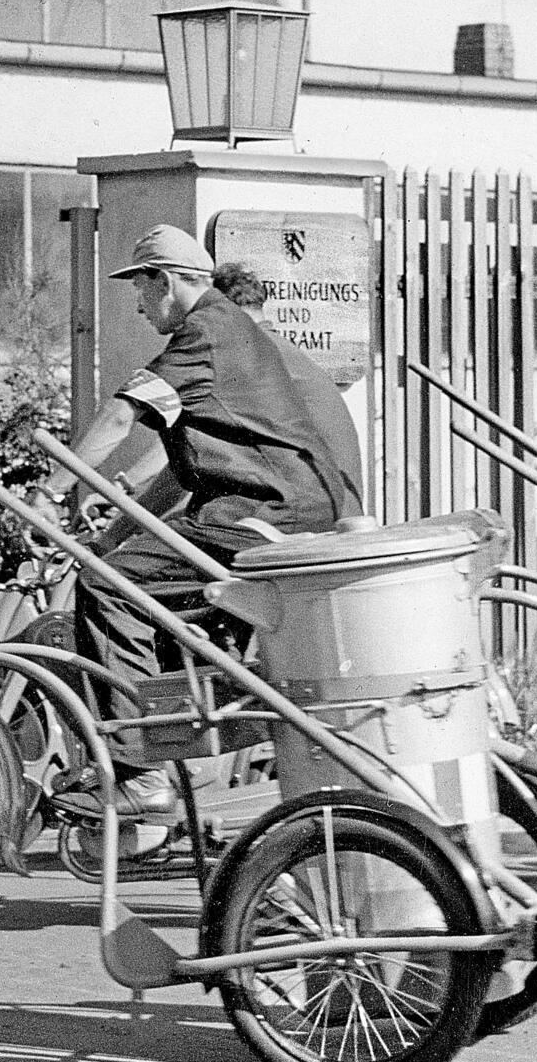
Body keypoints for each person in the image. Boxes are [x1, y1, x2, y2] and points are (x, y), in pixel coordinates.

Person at [32, 225, 360, 817]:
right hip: (289, 506)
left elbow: (116, 420)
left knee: (110, 588)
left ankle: (137, 772)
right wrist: (114, 534)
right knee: (127, 574)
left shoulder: (202, 333)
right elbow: (185, 472)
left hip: (263, 513)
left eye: (141, 288)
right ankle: (179, 740)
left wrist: (51, 489)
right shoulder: (230, 333)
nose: (136, 305)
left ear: (166, 281)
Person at [211, 259, 365, 505]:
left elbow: (173, 468)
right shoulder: (281, 351)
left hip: (319, 524)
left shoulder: (245, 354)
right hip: (343, 510)